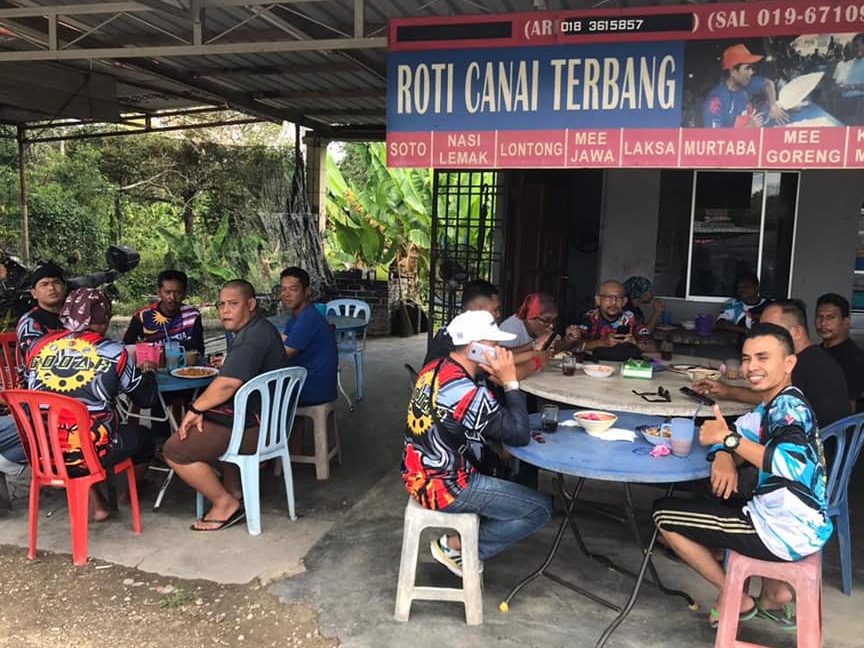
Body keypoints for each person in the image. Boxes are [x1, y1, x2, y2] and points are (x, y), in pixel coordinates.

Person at [654, 323, 832, 630]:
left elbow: (789, 462)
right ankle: (774, 593)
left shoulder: (789, 409)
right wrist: (724, 452)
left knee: (662, 514)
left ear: (789, 363)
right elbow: (736, 433)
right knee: (720, 492)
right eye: (747, 358)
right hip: (796, 521)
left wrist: (728, 442)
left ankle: (734, 594)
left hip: (779, 531)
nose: (751, 367)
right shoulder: (771, 404)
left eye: (763, 358)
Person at [403, 310, 553, 575]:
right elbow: (519, 434)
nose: (501, 350)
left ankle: (471, 536)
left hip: (419, 474)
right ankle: (458, 547)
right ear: (475, 349)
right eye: (495, 345)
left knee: (513, 481)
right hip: (448, 487)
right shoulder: (466, 392)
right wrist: (510, 383)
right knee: (540, 509)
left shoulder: (437, 367)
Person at [163, 279, 287, 531]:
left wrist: (195, 409)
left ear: (251, 304)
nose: (225, 310)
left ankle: (224, 503)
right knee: (207, 422)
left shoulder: (252, 337)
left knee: (174, 450)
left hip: (255, 429)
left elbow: (227, 385)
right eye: (221, 305)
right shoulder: (259, 330)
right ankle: (234, 490)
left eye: (233, 304)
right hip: (262, 420)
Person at [25, 288, 157, 521]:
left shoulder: (38, 348)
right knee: (145, 437)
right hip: (90, 452)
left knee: (71, 425)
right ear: (103, 318)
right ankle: (129, 494)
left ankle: (98, 503)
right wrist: (148, 372)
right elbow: (145, 400)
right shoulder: (114, 352)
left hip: (43, 450)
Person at [696, 300, 851, 427]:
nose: (762, 336)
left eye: (771, 330)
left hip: (814, 455)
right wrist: (725, 390)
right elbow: (771, 398)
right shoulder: (814, 357)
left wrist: (729, 440)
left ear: (796, 332)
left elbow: (770, 400)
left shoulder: (802, 365)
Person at [425, 281, 550, 379]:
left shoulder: (451, 332)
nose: (498, 314)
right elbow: (511, 375)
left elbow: (499, 356)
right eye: (495, 309)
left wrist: (534, 349)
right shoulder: (464, 341)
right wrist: (536, 362)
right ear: (477, 309)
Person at [279, 267, 338, 407]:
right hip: (307, 382)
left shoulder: (308, 318)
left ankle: (279, 429)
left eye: (293, 289)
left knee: (253, 394)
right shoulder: (297, 316)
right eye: (283, 289)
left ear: (307, 292)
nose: (286, 294)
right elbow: (280, 341)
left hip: (312, 388)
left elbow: (280, 355)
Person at [702, 44, 789, 128]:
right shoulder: (716, 101)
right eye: (747, 68)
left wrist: (773, 105)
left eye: (751, 68)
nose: (751, 72)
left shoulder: (745, 83)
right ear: (733, 72)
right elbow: (713, 138)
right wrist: (747, 130)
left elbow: (768, 84)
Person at [123, 270, 204, 358]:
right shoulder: (142, 316)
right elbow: (127, 346)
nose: (172, 298)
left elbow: (199, 349)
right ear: (159, 292)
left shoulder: (192, 315)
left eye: (177, 293)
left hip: (185, 368)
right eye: (167, 292)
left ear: (184, 294)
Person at [16, 262, 67, 379]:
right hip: (40, 380)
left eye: (56, 282)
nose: (51, 288)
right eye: (44, 284)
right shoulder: (29, 322)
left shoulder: (74, 316)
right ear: (34, 293)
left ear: (65, 288)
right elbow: (38, 360)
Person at [816, 293, 864, 412]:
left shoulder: (854, 359)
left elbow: (850, 405)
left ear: (845, 322)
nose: (823, 323)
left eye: (830, 317)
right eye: (819, 317)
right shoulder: (815, 353)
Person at [578, 280, 656, 352]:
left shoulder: (631, 318)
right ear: (598, 300)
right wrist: (602, 343)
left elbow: (653, 347)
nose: (614, 302)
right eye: (609, 298)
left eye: (618, 298)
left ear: (624, 302)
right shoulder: (589, 317)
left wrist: (635, 344)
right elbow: (575, 345)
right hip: (595, 366)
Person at [499, 293, 581, 354]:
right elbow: (500, 355)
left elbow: (553, 349)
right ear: (530, 317)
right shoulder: (511, 327)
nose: (551, 325)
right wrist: (535, 343)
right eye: (546, 320)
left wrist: (568, 340)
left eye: (553, 320)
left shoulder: (543, 329)